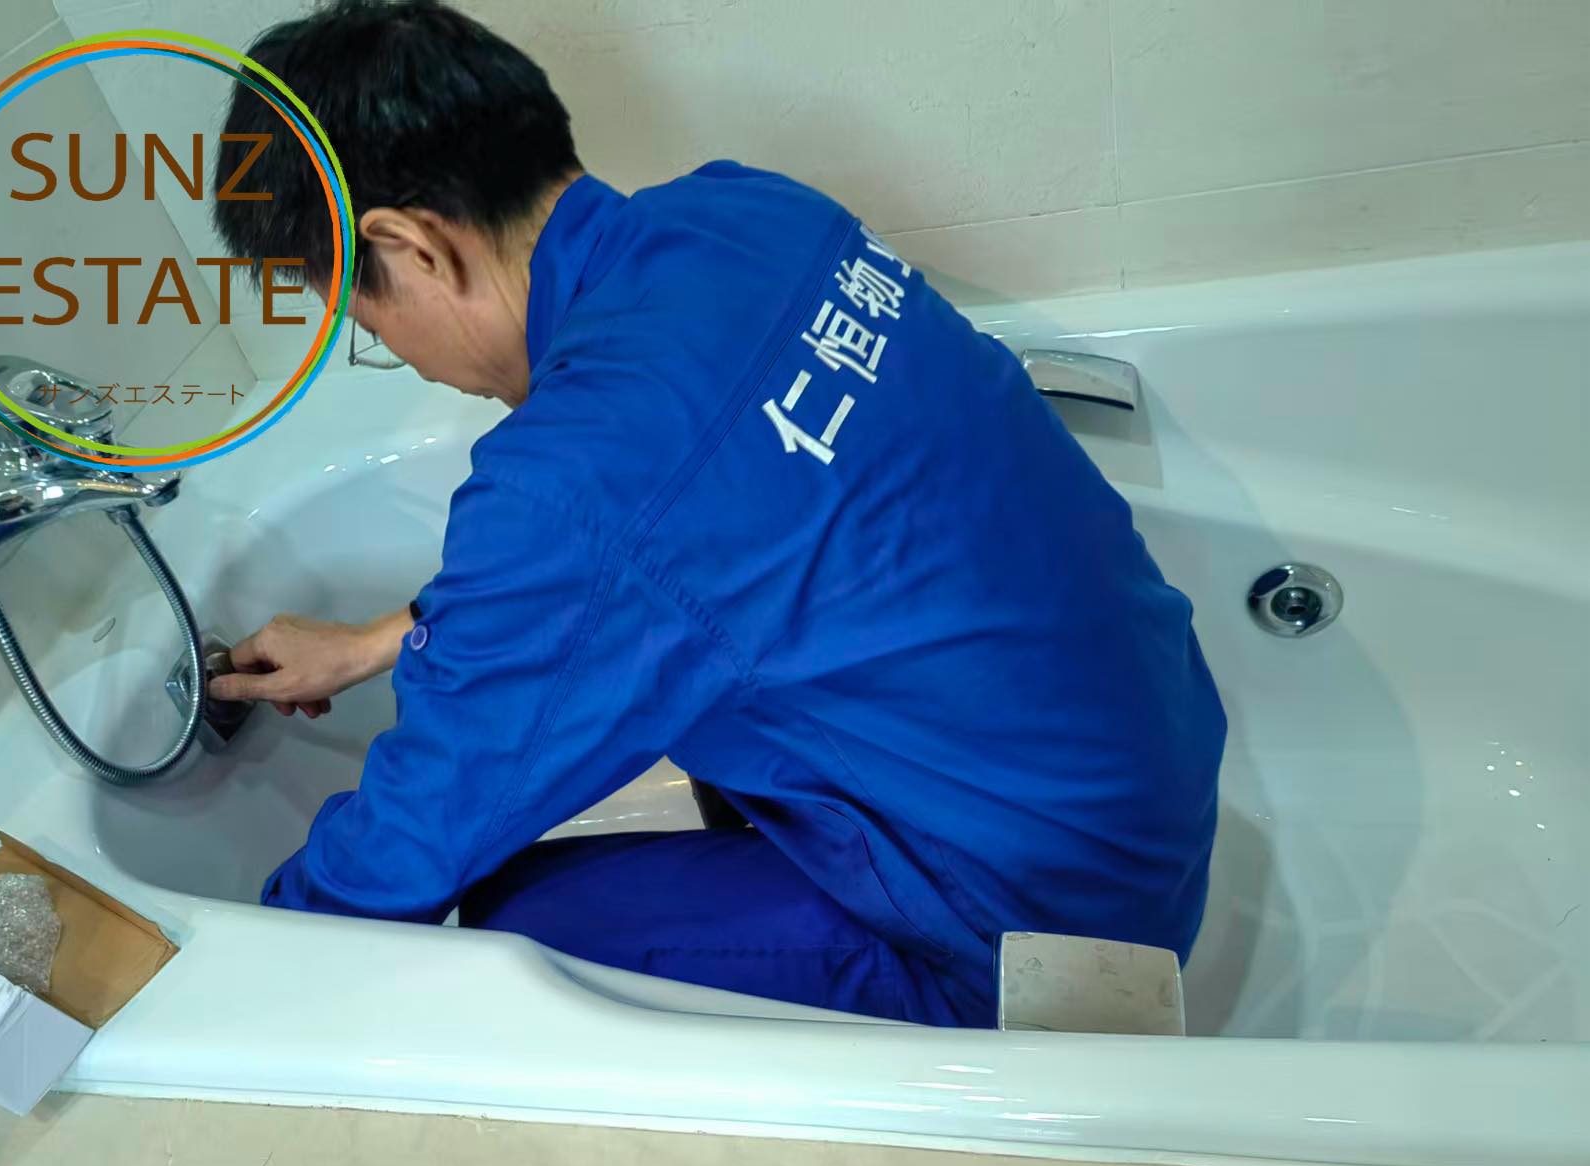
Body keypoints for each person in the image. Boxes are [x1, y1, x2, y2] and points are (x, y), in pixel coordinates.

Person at [207, 0, 1227, 1029]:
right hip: (1147, 781)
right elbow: (703, 529)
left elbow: (415, 840)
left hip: (1044, 943)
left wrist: (233, 980)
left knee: (519, 923)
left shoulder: (576, 477)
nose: (397, 351)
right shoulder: (751, 213)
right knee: (711, 688)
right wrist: (378, 641)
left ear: (411, 246)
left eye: (366, 320)